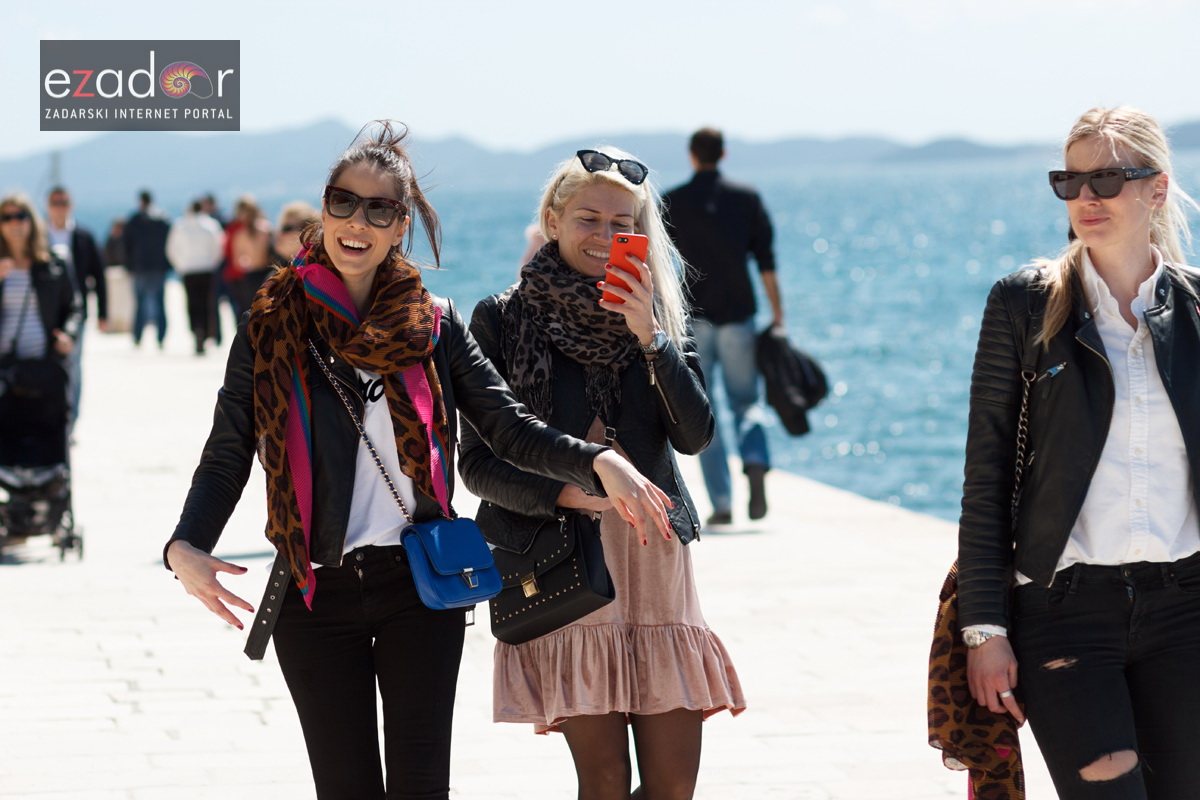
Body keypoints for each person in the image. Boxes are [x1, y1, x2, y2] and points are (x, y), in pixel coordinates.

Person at [162, 122, 675, 800]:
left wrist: (597, 462)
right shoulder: (271, 325)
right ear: (325, 209)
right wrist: (186, 544)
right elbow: (228, 451)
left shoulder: (434, 324)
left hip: (421, 585)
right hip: (315, 593)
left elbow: (507, 427)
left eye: (380, 209)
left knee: (422, 788)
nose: (358, 222)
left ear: (400, 225)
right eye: (344, 202)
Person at [459, 147, 745, 800]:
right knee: (606, 780)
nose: (605, 235)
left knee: (673, 785)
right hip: (567, 559)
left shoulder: (657, 314)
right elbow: (477, 463)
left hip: (656, 557)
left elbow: (695, 436)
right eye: (589, 218)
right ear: (553, 220)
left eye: (623, 224)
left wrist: (650, 338)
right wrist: (571, 494)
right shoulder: (500, 319)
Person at [959, 106, 1200, 799]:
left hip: (1187, 609)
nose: (1086, 197)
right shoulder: (1024, 303)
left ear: (1156, 189)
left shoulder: (1196, 307)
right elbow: (987, 472)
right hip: (1065, 612)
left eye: (1107, 179)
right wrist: (984, 629)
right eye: (1070, 181)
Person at [664, 127, 783, 526]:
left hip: (694, 318)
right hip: (739, 316)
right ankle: (755, 459)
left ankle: (722, 503)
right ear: (723, 153)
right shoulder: (747, 198)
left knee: (704, 410)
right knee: (747, 403)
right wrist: (778, 314)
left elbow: (658, 262)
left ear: (692, 155)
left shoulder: (673, 201)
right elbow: (766, 261)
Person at [0, 194, 81, 468]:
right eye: (6, 218)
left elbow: (74, 307)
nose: (14, 224)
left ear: (32, 221)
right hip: (4, 367)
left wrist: (69, 335)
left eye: (20, 216)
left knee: (47, 432)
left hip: (44, 365)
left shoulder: (53, 262)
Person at [45, 186, 106, 427]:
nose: (59, 207)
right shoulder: (39, 235)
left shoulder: (84, 237)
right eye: (55, 202)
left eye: (63, 202)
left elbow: (98, 275)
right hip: (46, 311)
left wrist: (103, 313)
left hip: (75, 312)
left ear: (71, 205)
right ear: (48, 206)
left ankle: (70, 420)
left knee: (73, 365)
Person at [166, 200, 224, 355]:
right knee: (206, 303)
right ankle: (205, 332)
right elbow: (218, 248)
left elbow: (172, 249)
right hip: (206, 269)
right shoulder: (211, 225)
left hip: (188, 270)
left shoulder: (180, 225)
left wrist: (180, 266)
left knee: (192, 303)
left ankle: (196, 330)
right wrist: (212, 263)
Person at [122, 190, 172, 349]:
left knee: (140, 303)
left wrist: (128, 265)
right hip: (159, 267)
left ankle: (138, 336)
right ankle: (161, 337)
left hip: (140, 267)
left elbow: (126, 244)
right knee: (160, 303)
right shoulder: (162, 219)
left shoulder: (134, 220)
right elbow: (170, 243)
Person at [223, 195, 274, 316]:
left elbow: (237, 262)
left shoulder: (240, 234)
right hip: (268, 274)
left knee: (251, 314)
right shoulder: (266, 228)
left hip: (250, 276)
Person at [268, 201, 319, 269]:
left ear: (308, 232)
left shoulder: (319, 271)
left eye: (286, 228)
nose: (278, 233)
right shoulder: (278, 271)